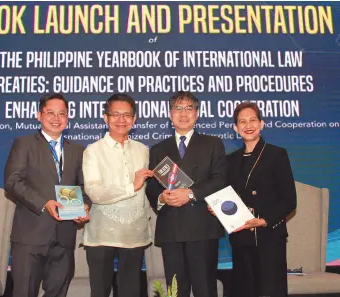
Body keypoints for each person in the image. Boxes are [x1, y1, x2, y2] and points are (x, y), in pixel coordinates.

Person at [4, 93, 90, 297]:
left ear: (68, 118)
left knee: (58, 292)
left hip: (65, 235)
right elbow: (12, 181)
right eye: (50, 112)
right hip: (30, 234)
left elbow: (84, 187)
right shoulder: (24, 143)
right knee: (24, 292)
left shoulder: (77, 150)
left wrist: (85, 206)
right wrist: (44, 203)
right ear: (38, 115)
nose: (56, 118)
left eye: (62, 113)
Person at [209, 101, 297, 297]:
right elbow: (227, 195)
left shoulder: (277, 154)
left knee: (270, 291)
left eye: (253, 120)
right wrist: (218, 209)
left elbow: (289, 200)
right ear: (235, 128)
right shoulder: (230, 160)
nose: (248, 126)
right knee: (245, 290)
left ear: (262, 123)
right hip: (241, 238)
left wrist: (264, 220)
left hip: (269, 237)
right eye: (242, 122)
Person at [146, 91, 227, 297]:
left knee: (205, 288)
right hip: (171, 229)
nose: (183, 114)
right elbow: (152, 186)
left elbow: (220, 179)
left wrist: (190, 193)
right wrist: (162, 197)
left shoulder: (213, 144)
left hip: (203, 228)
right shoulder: (157, 149)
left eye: (189, 108)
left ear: (197, 113)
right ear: (170, 114)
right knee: (176, 289)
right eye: (178, 109)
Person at [81, 93, 154, 297]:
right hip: (102, 232)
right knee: (100, 291)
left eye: (127, 115)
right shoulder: (93, 151)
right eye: (115, 114)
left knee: (130, 291)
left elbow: (150, 190)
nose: (121, 120)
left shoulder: (143, 150)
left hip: (134, 232)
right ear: (105, 118)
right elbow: (94, 192)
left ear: (134, 119)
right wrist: (132, 186)